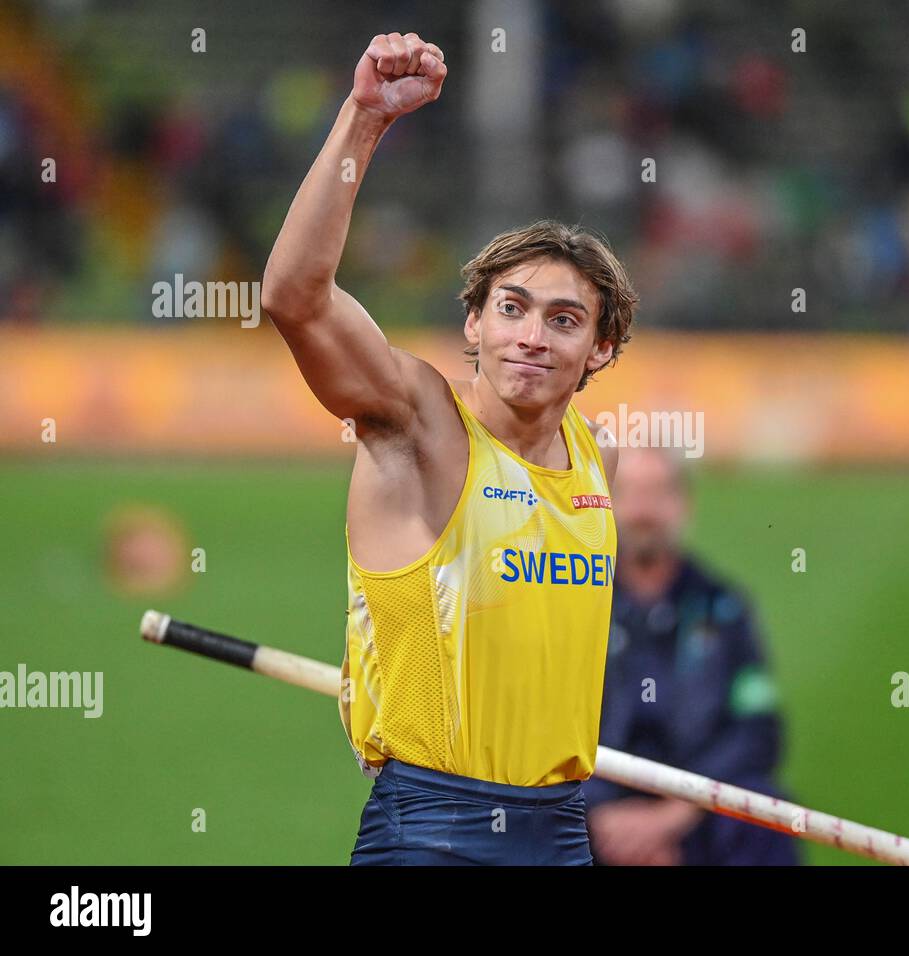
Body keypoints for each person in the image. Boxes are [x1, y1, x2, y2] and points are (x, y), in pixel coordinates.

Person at [260, 32, 637, 865]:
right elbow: (294, 296)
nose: (531, 337)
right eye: (511, 308)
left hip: (561, 832)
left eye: (564, 320)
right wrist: (365, 118)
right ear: (474, 323)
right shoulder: (418, 425)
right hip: (434, 831)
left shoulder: (594, 458)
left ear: (601, 350)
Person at [584, 446, 800, 865]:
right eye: (630, 494)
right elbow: (540, 725)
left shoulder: (724, 608)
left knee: (765, 811)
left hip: (694, 811)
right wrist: (599, 813)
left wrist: (677, 813)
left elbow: (758, 729)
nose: (643, 511)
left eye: (658, 493)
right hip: (591, 813)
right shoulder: (573, 604)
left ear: (683, 505)